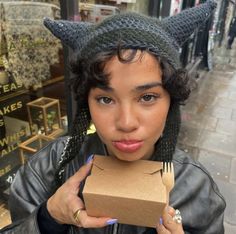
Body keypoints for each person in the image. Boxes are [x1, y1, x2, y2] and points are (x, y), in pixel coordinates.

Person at [1, 1, 226, 233]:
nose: (126, 123)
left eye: (147, 97)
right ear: (86, 103)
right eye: (106, 100)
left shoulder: (196, 188)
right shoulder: (47, 170)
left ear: (171, 99)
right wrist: (48, 218)